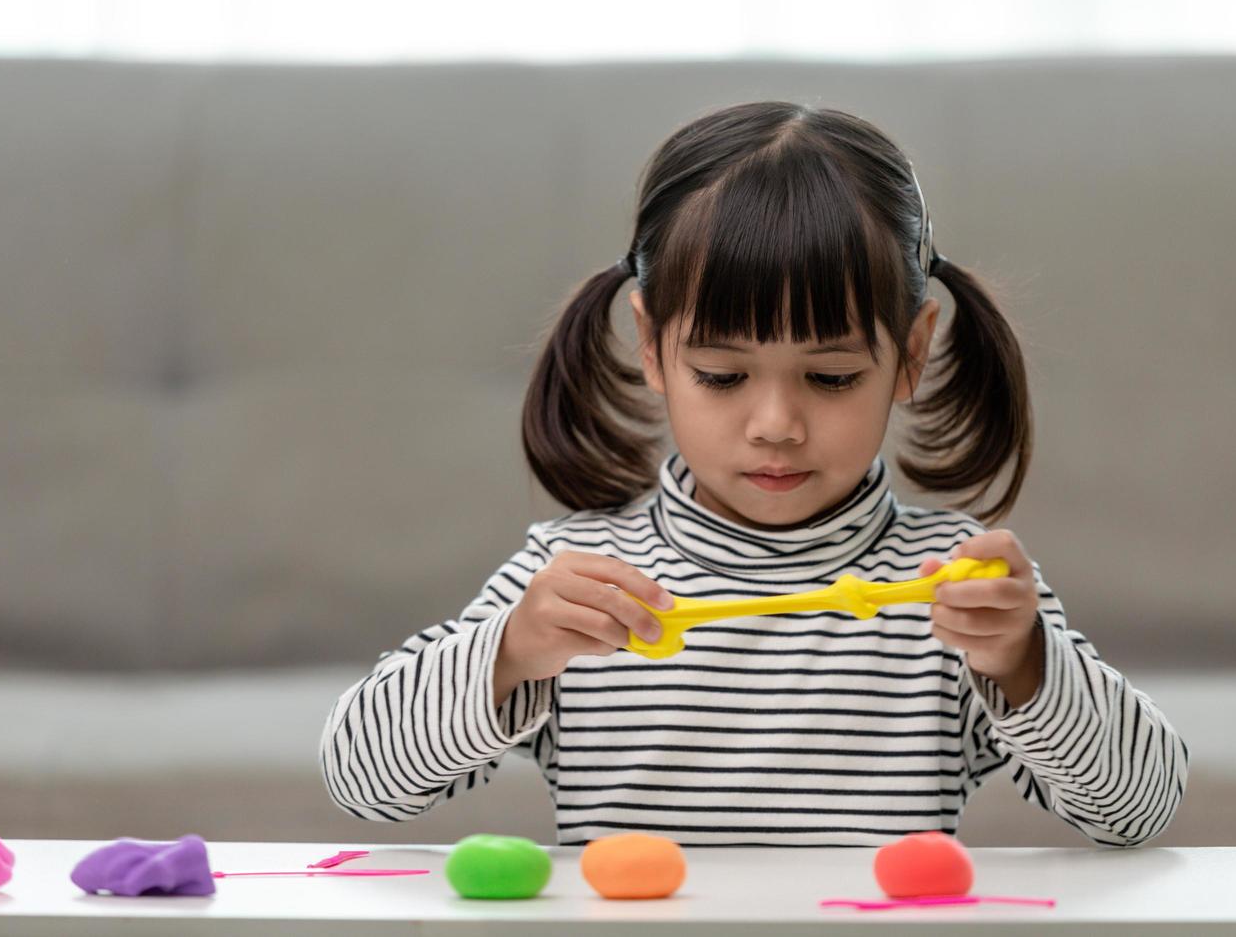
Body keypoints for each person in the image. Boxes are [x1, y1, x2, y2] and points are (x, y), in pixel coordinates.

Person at [320, 101, 1188, 847]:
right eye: (723, 376)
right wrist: (508, 654)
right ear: (653, 348)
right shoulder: (578, 577)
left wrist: (1026, 663)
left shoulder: (952, 586)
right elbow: (360, 777)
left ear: (912, 354)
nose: (776, 425)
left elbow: (1141, 810)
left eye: (833, 376)